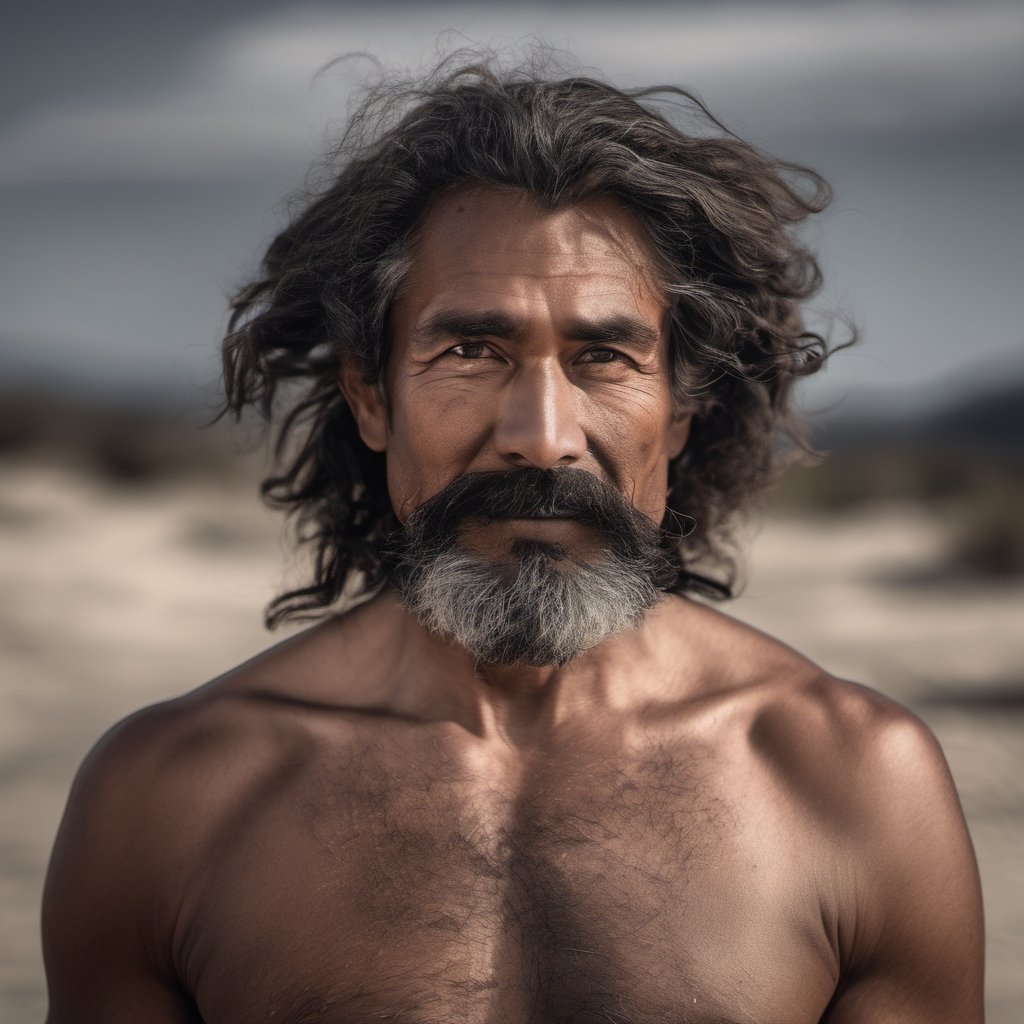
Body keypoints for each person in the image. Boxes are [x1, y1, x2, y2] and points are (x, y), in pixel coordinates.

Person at [42, 56, 984, 1023]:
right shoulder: (169, 800)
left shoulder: (854, 782)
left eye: (604, 357)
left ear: (682, 409)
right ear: (371, 395)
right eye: (470, 350)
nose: (541, 432)